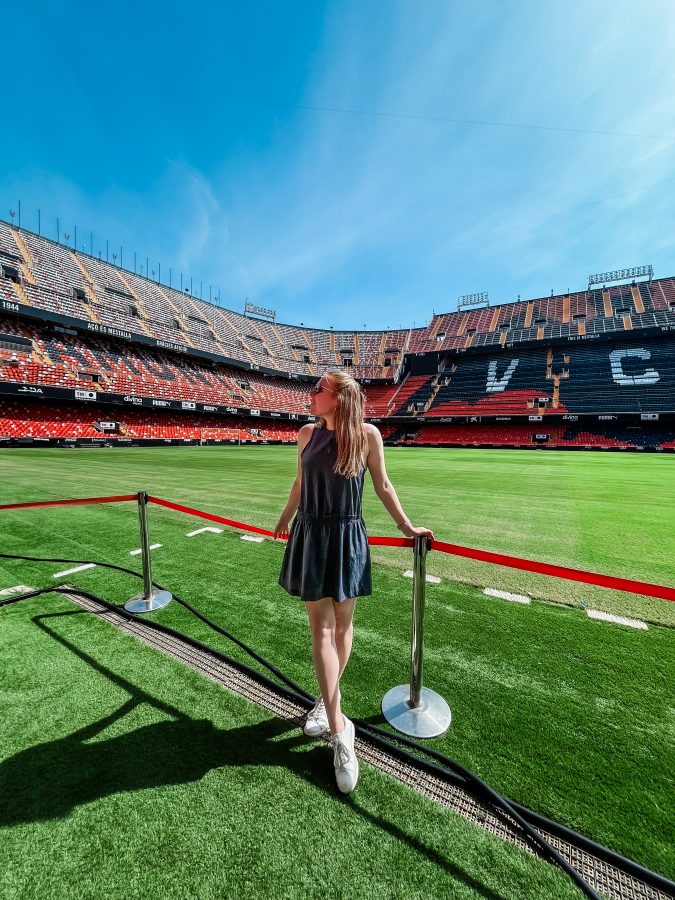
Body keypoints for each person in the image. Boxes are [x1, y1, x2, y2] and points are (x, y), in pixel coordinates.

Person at [274, 369, 434, 794]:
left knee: (342, 627)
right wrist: (286, 515)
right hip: (311, 532)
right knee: (320, 628)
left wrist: (407, 526)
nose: (309, 395)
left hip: (346, 536)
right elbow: (299, 481)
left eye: (317, 390)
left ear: (339, 398)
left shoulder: (368, 436)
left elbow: (382, 484)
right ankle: (340, 727)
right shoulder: (306, 434)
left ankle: (327, 709)